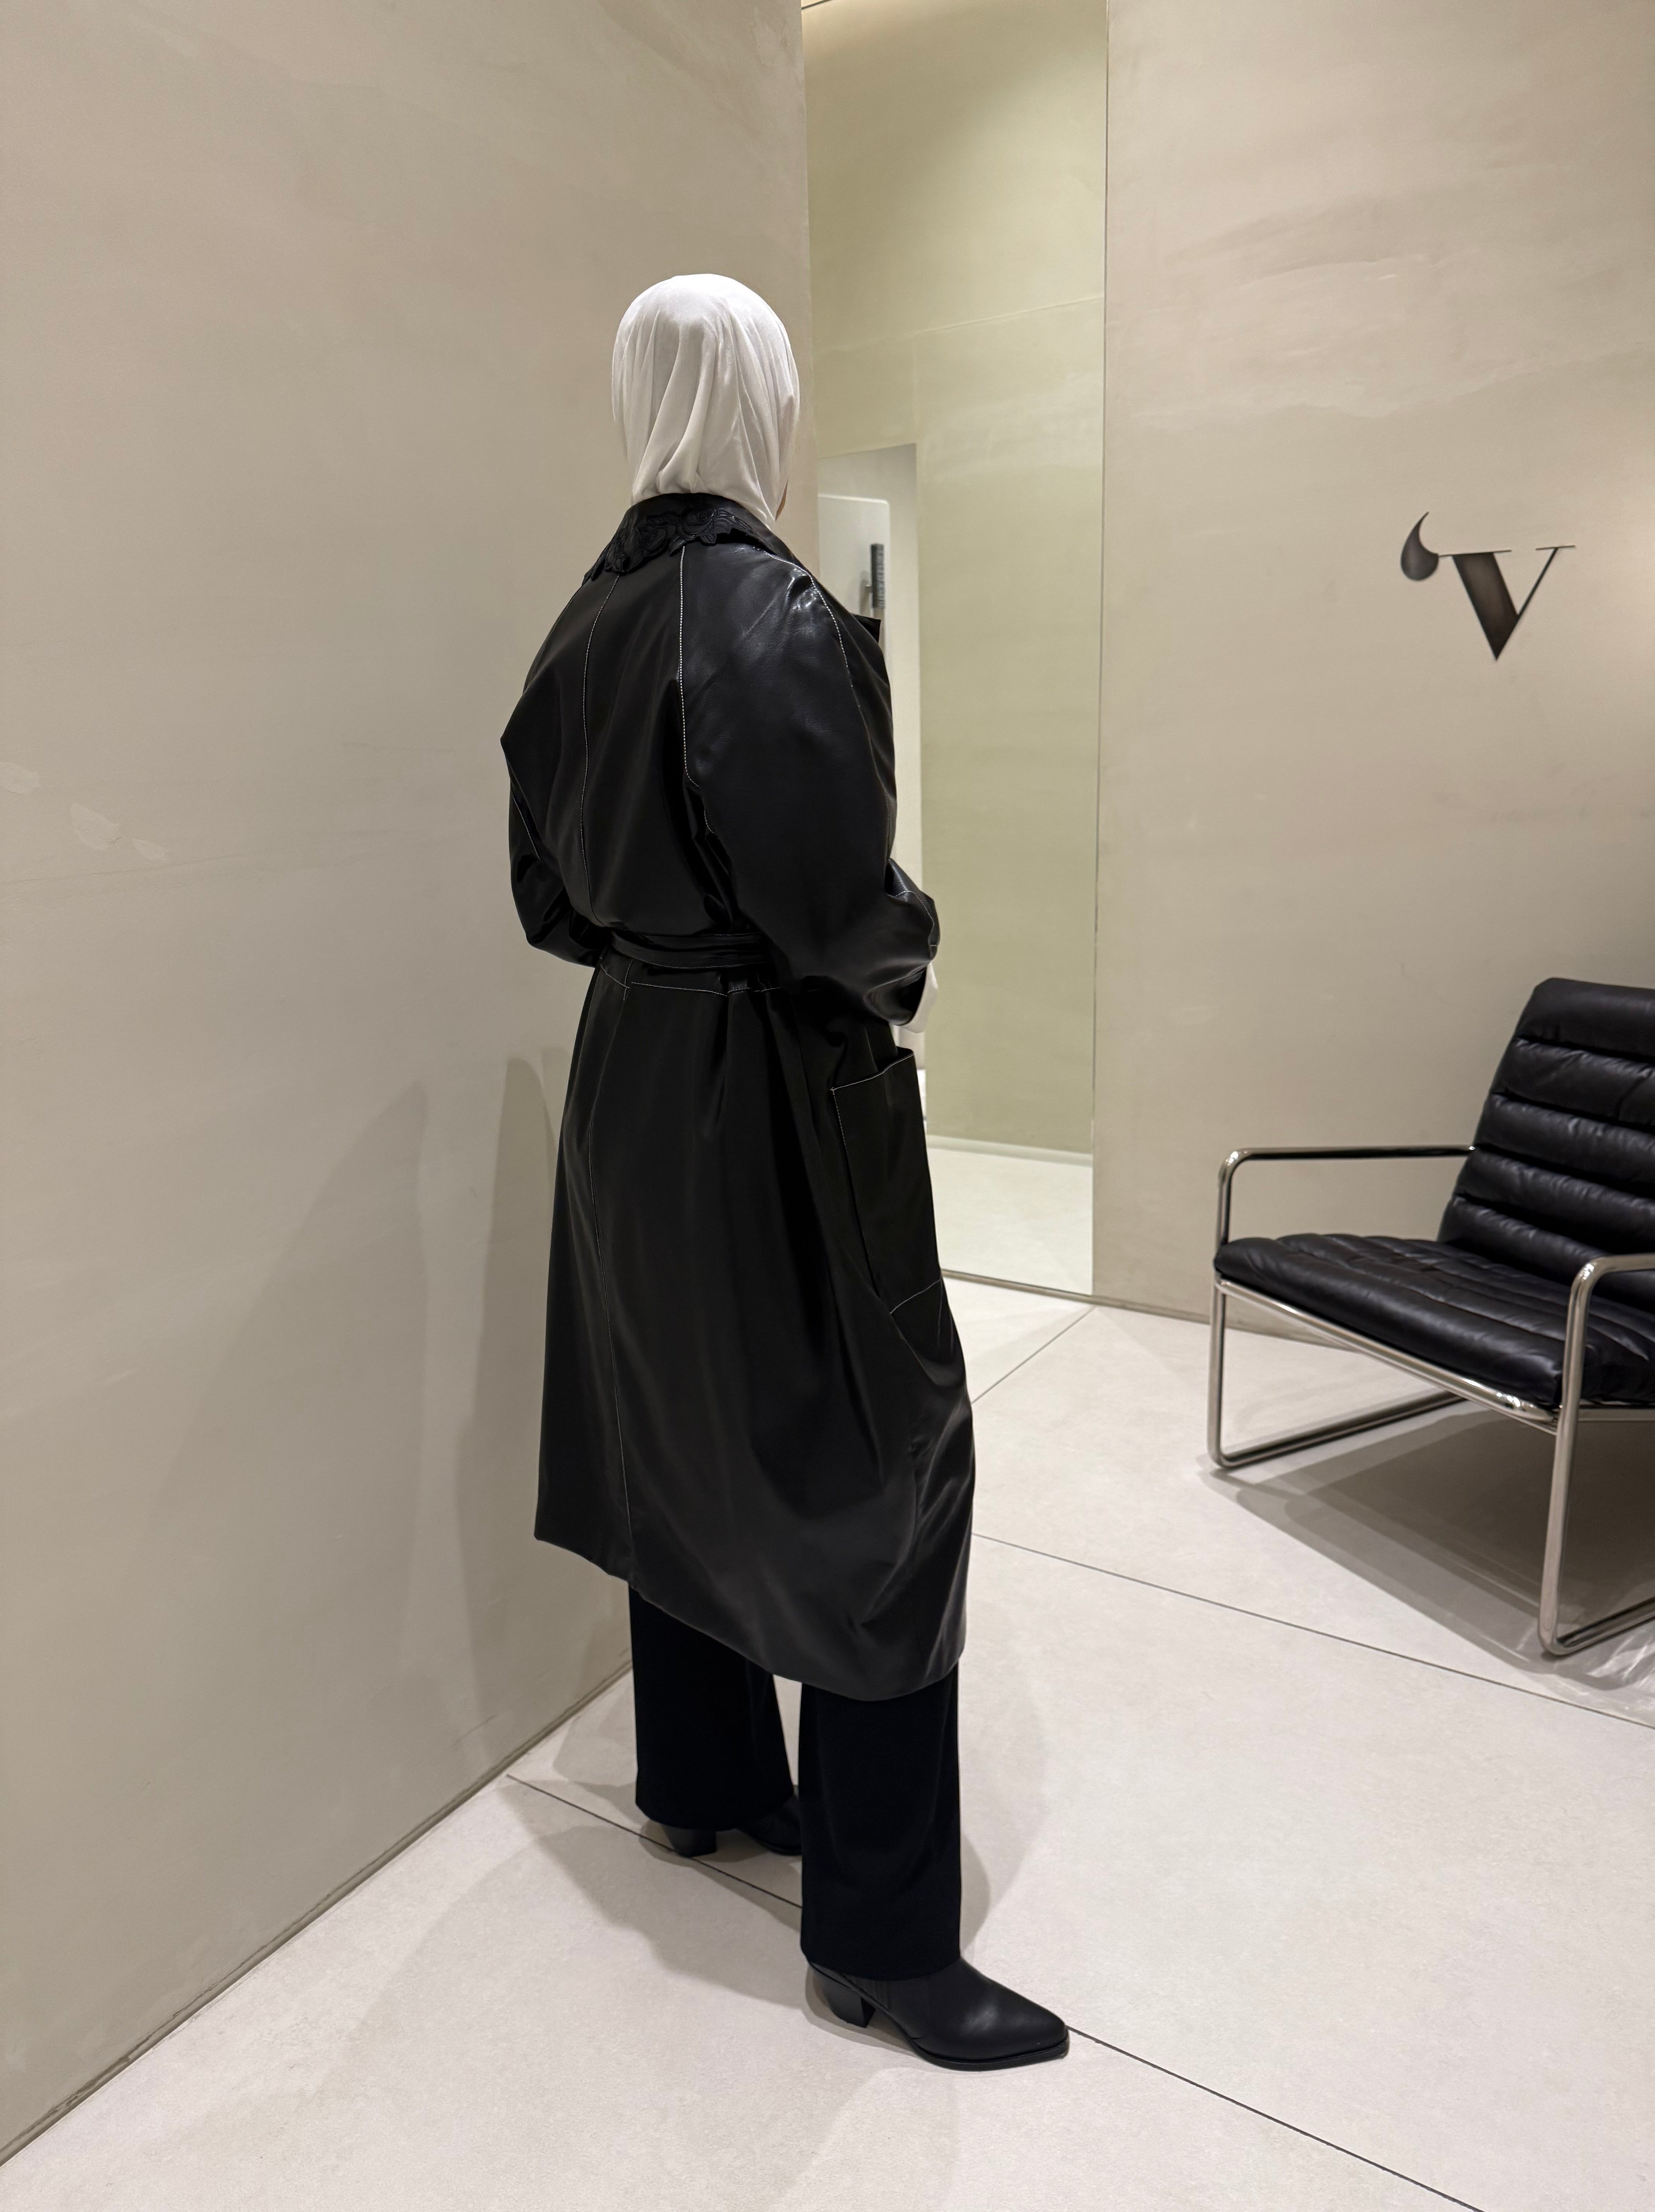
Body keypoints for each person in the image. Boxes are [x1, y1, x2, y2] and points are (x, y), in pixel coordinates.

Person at [501, 273, 1065, 2070]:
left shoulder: (578, 629)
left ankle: (705, 1781)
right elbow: (840, 915)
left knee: (682, 1426)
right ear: (760, 396)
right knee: (888, 1473)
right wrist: (912, 951)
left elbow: (546, 905)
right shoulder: (779, 614)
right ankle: (886, 1944)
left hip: (631, 1080)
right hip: (776, 1090)